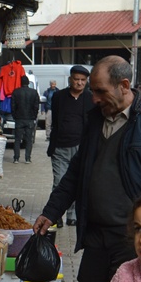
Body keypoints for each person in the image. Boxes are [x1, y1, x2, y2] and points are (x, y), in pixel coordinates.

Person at [34, 57, 141, 282]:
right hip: (96, 236)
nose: (95, 98)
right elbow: (76, 173)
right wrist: (51, 212)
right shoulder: (95, 121)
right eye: (93, 91)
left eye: (101, 91)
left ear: (124, 85)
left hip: (130, 240)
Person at [45, 66, 94, 219]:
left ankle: (72, 216)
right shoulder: (59, 96)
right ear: (70, 80)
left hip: (81, 147)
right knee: (59, 182)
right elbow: (55, 122)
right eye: (76, 79)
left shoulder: (90, 98)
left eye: (83, 80)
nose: (79, 83)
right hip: (60, 147)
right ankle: (55, 216)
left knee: (77, 182)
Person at [10, 77, 40, 163]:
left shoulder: (16, 92)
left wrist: (15, 116)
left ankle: (16, 158)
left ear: (20, 82)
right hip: (30, 119)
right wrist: (34, 116)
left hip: (19, 118)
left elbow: (13, 106)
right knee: (29, 139)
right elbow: (36, 106)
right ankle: (28, 158)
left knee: (17, 139)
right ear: (28, 83)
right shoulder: (34, 92)